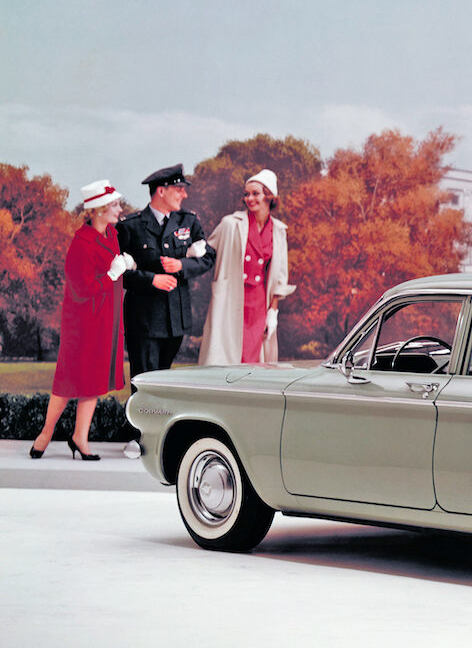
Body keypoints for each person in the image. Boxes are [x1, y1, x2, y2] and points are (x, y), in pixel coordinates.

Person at [29, 180, 134, 461]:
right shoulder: (81, 245)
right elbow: (82, 289)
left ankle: (80, 438)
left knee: (93, 381)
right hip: (82, 324)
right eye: (114, 205)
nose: (119, 209)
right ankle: (46, 433)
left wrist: (125, 265)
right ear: (98, 210)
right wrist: (112, 274)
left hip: (104, 320)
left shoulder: (111, 234)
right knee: (68, 381)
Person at [117, 164, 215, 380]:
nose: (184, 194)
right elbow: (117, 274)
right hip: (144, 320)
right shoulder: (130, 226)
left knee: (165, 381)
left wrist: (182, 266)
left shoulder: (189, 221)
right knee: (145, 381)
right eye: (179, 189)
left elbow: (208, 257)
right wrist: (152, 279)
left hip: (176, 319)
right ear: (161, 191)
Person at [199, 169, 295, 364]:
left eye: (255, 193)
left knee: (253, 354)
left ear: (269, 196)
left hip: (259, 302)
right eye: (246, 194)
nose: (249, 198)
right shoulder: (230, 224)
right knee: (226, 354)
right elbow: (207, 249)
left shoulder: (278, 231)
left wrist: (273, 311)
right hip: (231, 297)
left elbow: (280, 277)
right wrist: (192, 250)